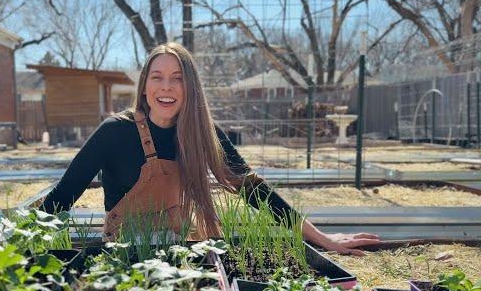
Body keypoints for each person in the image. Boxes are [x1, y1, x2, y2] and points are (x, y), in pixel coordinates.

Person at [43, 42, 381, 256]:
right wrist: (14, 246)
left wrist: (323, 239)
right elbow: (63, 195)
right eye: (157, 77)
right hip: (128, 255)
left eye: (177, 78)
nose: (166, 87)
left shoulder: (203, 132)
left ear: (190, 86)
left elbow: (254, 191)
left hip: (184, 249)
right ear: (145, 85)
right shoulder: (114, 132)